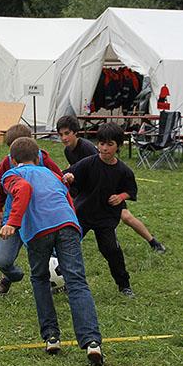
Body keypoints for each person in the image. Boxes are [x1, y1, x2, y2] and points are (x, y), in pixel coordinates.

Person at [0, 136, 104, 366]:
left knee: (39, 278)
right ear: (38, 158)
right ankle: (92, 342)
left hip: (39, 230)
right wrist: (74, 227)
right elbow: (67, 198)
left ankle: (51, 337)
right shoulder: (52, 174)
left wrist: (12, 223)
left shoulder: (11, 175)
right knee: (77, 281)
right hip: (68, 224)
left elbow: (23, 189)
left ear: (12, 160)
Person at [56, 115, 166, 253]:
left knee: (126, 216)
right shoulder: (68, 150)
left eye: (67, 133)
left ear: (76, 132)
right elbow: (75, 166)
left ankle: (153, 242)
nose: (64, 138)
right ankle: (66, 247)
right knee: (75, 212)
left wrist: (119, 195)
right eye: (61, 135)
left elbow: (102, 166)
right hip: (90, 191)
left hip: (107, 190)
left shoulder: (87, 148)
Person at [62, 122, 137, 297]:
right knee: (67, 246)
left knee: (111, 250)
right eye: (102, 144)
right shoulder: (88, 163)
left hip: (106, 218)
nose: (104, 148)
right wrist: (69, 177)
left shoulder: (124, 171)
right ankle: (63, 280)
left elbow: (131, 190)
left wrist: (121, 197)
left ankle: (124, 285)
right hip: (83, 214)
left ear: (118, 146)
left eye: (110, 144)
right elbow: (68, 174)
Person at [0, 123, 64, 295]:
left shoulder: (43, 160)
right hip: (15, 218)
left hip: (42, 217)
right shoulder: (6, 163)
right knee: (2, 260)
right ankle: (11, 276)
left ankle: (60, 280)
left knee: (54, 254)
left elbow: (58, 181)